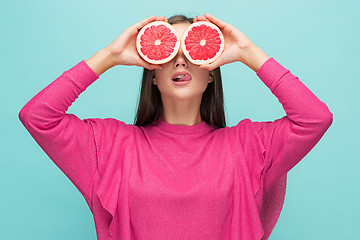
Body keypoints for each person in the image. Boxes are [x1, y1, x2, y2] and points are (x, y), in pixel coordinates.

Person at [18, 13, 333, 240]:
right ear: (151, 74)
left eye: (192, 51)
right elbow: (37, 117)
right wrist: (109, 56)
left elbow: (315, 118)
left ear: (212, 72)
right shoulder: (112, 145)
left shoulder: (249, 145)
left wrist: (249, 54)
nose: (181, 60)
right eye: (169, 52)